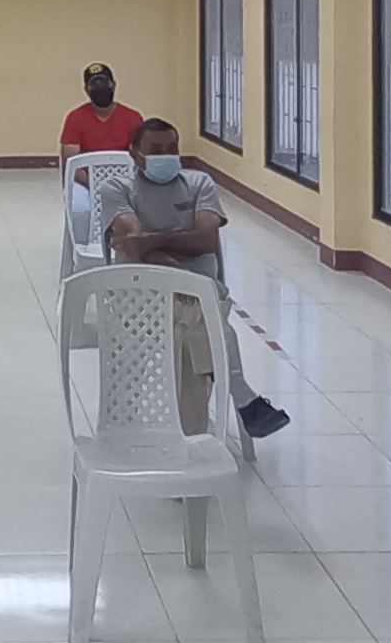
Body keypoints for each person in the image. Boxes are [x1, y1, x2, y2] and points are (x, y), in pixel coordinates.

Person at [99, 119, 290, 440]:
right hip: (144, 299)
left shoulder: (199, 182)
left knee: (193, 324)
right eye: (155, 150)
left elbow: (206, 240)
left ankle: (193, 436)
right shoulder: (117, 188)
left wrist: (154, 241)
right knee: (207, 323)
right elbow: (134, 242)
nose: (165, 156)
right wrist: (181, 266)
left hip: (201, 294)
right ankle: (240, 402)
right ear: (134, 154)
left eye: (171, 149)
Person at [58, 62, 143, 253]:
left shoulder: (132, 117)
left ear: (114, 85)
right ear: (86, 90)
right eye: (94, 85)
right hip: (86, 183)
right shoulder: (75, 118)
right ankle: (81, 251)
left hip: (126, 184)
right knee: (80, 210)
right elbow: (71, 162)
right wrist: (95, 184)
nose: (100, 88)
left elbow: (140, 158)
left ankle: (131, 249)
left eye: (104, 83)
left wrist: (120, 186)